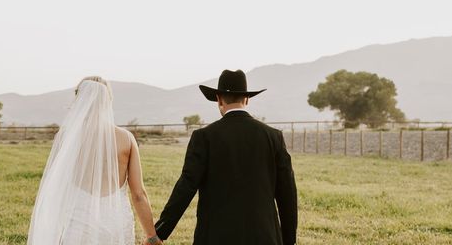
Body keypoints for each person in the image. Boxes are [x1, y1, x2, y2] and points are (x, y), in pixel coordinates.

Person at [154, 69, 298, 245]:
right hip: (264, 236)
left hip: (215, 236)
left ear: (219, 100)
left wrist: (160, 232)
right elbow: (287, 195)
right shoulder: (273, 136)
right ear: (247, 99)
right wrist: (289, 241)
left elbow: (186, 187)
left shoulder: (203, 137)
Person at [27, 76, 162, 245]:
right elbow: (138, 194)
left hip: (78, 222)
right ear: (108, 101)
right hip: (115, 223)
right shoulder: (126, 138)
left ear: (80, 100)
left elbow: (56, 188)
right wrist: (151, 235)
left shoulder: (66, 138)